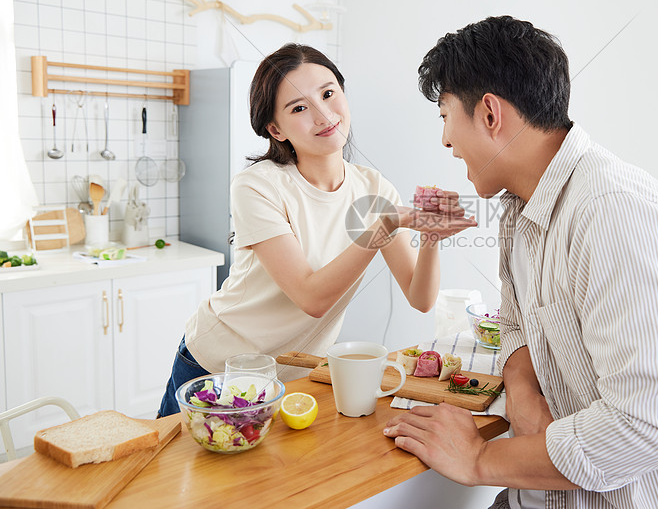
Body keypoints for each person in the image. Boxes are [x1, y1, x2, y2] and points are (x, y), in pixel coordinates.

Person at [383, 16, 658, 508]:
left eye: (445, 115)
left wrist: (478, 461)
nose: (446, 141)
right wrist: (523, 396)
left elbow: (649, 425)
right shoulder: (519, 205)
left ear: (490, 114)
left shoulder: (612, 212)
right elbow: (515, 324)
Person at [157, 44, 476, 417]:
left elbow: (420, 298)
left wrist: (431, 238)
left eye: (328, 94)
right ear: (275, 129)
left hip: (295, 374)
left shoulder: (374, 188)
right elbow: (311, 298)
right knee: (175, 476)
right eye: (299, 107)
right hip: (219, 368)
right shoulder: (257, 187)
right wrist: (383, 225)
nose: (324, 114)